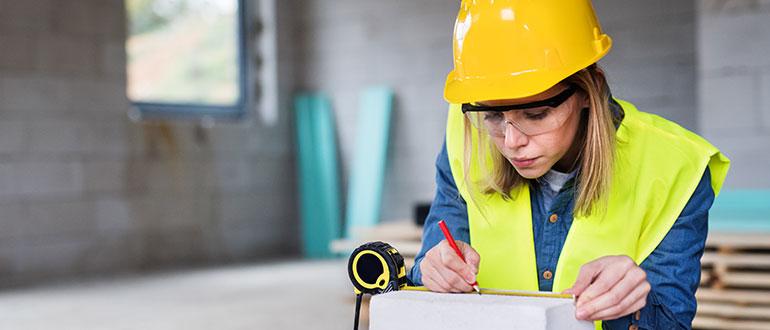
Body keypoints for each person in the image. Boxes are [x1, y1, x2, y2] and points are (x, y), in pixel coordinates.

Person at [407, 1, 730, 329]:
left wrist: (630, 305)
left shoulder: (675, 167)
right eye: (492, 115)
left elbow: (668, 322)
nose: (511, 141)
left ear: (591, 89)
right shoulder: (466, 138)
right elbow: (432, 261)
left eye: (535, 115)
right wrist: (433, 267)